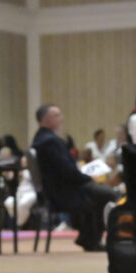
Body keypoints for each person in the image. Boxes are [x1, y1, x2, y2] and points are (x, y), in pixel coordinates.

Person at [32, 104, 119, 251]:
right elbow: (67, 170)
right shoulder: (50, 141)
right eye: (56, 115)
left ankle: (87, 237)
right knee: (108, 194)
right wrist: (88, 178)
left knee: (100, 192)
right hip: (63, 192)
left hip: (60, 189)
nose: (61, 118)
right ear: (45, 119)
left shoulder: (42, 138)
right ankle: (91, 239)